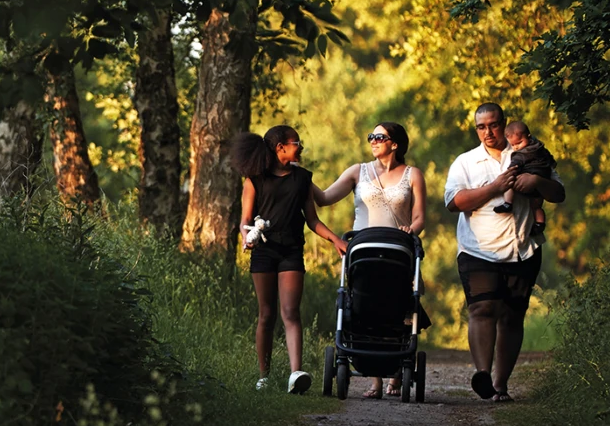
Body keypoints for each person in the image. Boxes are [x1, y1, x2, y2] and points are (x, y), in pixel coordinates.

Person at [444, 102, 565, 401]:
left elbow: (558, 193)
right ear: (476, 129)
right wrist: (496, 187)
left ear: (505, 124)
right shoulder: (466, 162)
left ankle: (501, 385)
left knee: (512, 316)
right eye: (481, 127)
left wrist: (536, 181)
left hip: (522, 248)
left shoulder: (530, 153)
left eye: (494, 125)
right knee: (482, 309)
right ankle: (483, 375)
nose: (488, 132)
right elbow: (454, 203)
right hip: (477, 250)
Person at [314, 122, 428, 398]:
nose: (373, 141)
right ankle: (376, 381)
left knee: (398, 305)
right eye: (371, 137)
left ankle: (398, 372)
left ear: (396, 144)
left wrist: (411, 230)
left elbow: (420, 216)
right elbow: (324, 198)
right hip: (363, 252)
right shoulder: (358, 171)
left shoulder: (413, 174)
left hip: (397, 251)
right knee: (366, 306)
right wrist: (300, 178)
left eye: (380, 137)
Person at [233, 125, 348, 394]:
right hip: (263, 251)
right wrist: (246, 237)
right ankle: (264, 376)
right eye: (297, 142)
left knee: (291, 312)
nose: (301, 147)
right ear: (280, 148)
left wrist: (335, 239)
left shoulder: (302, 179)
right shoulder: (254, 180)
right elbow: (245, 222)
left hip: (292, 251)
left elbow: (312, 220)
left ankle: (296, 374)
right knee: (266, 314)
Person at [493, 121, 557, 236]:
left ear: (528, 135)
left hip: (529, 181)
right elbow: (549, 158)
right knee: (536, 206)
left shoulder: (520, 154)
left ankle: (508, 203)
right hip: (542, 181)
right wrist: (552, 164)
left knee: (509, 181)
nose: (516, 147)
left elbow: (514, 167)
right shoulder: (540, 147)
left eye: (519, 143)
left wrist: (510, 172)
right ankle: (539, 224)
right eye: (513, 145)